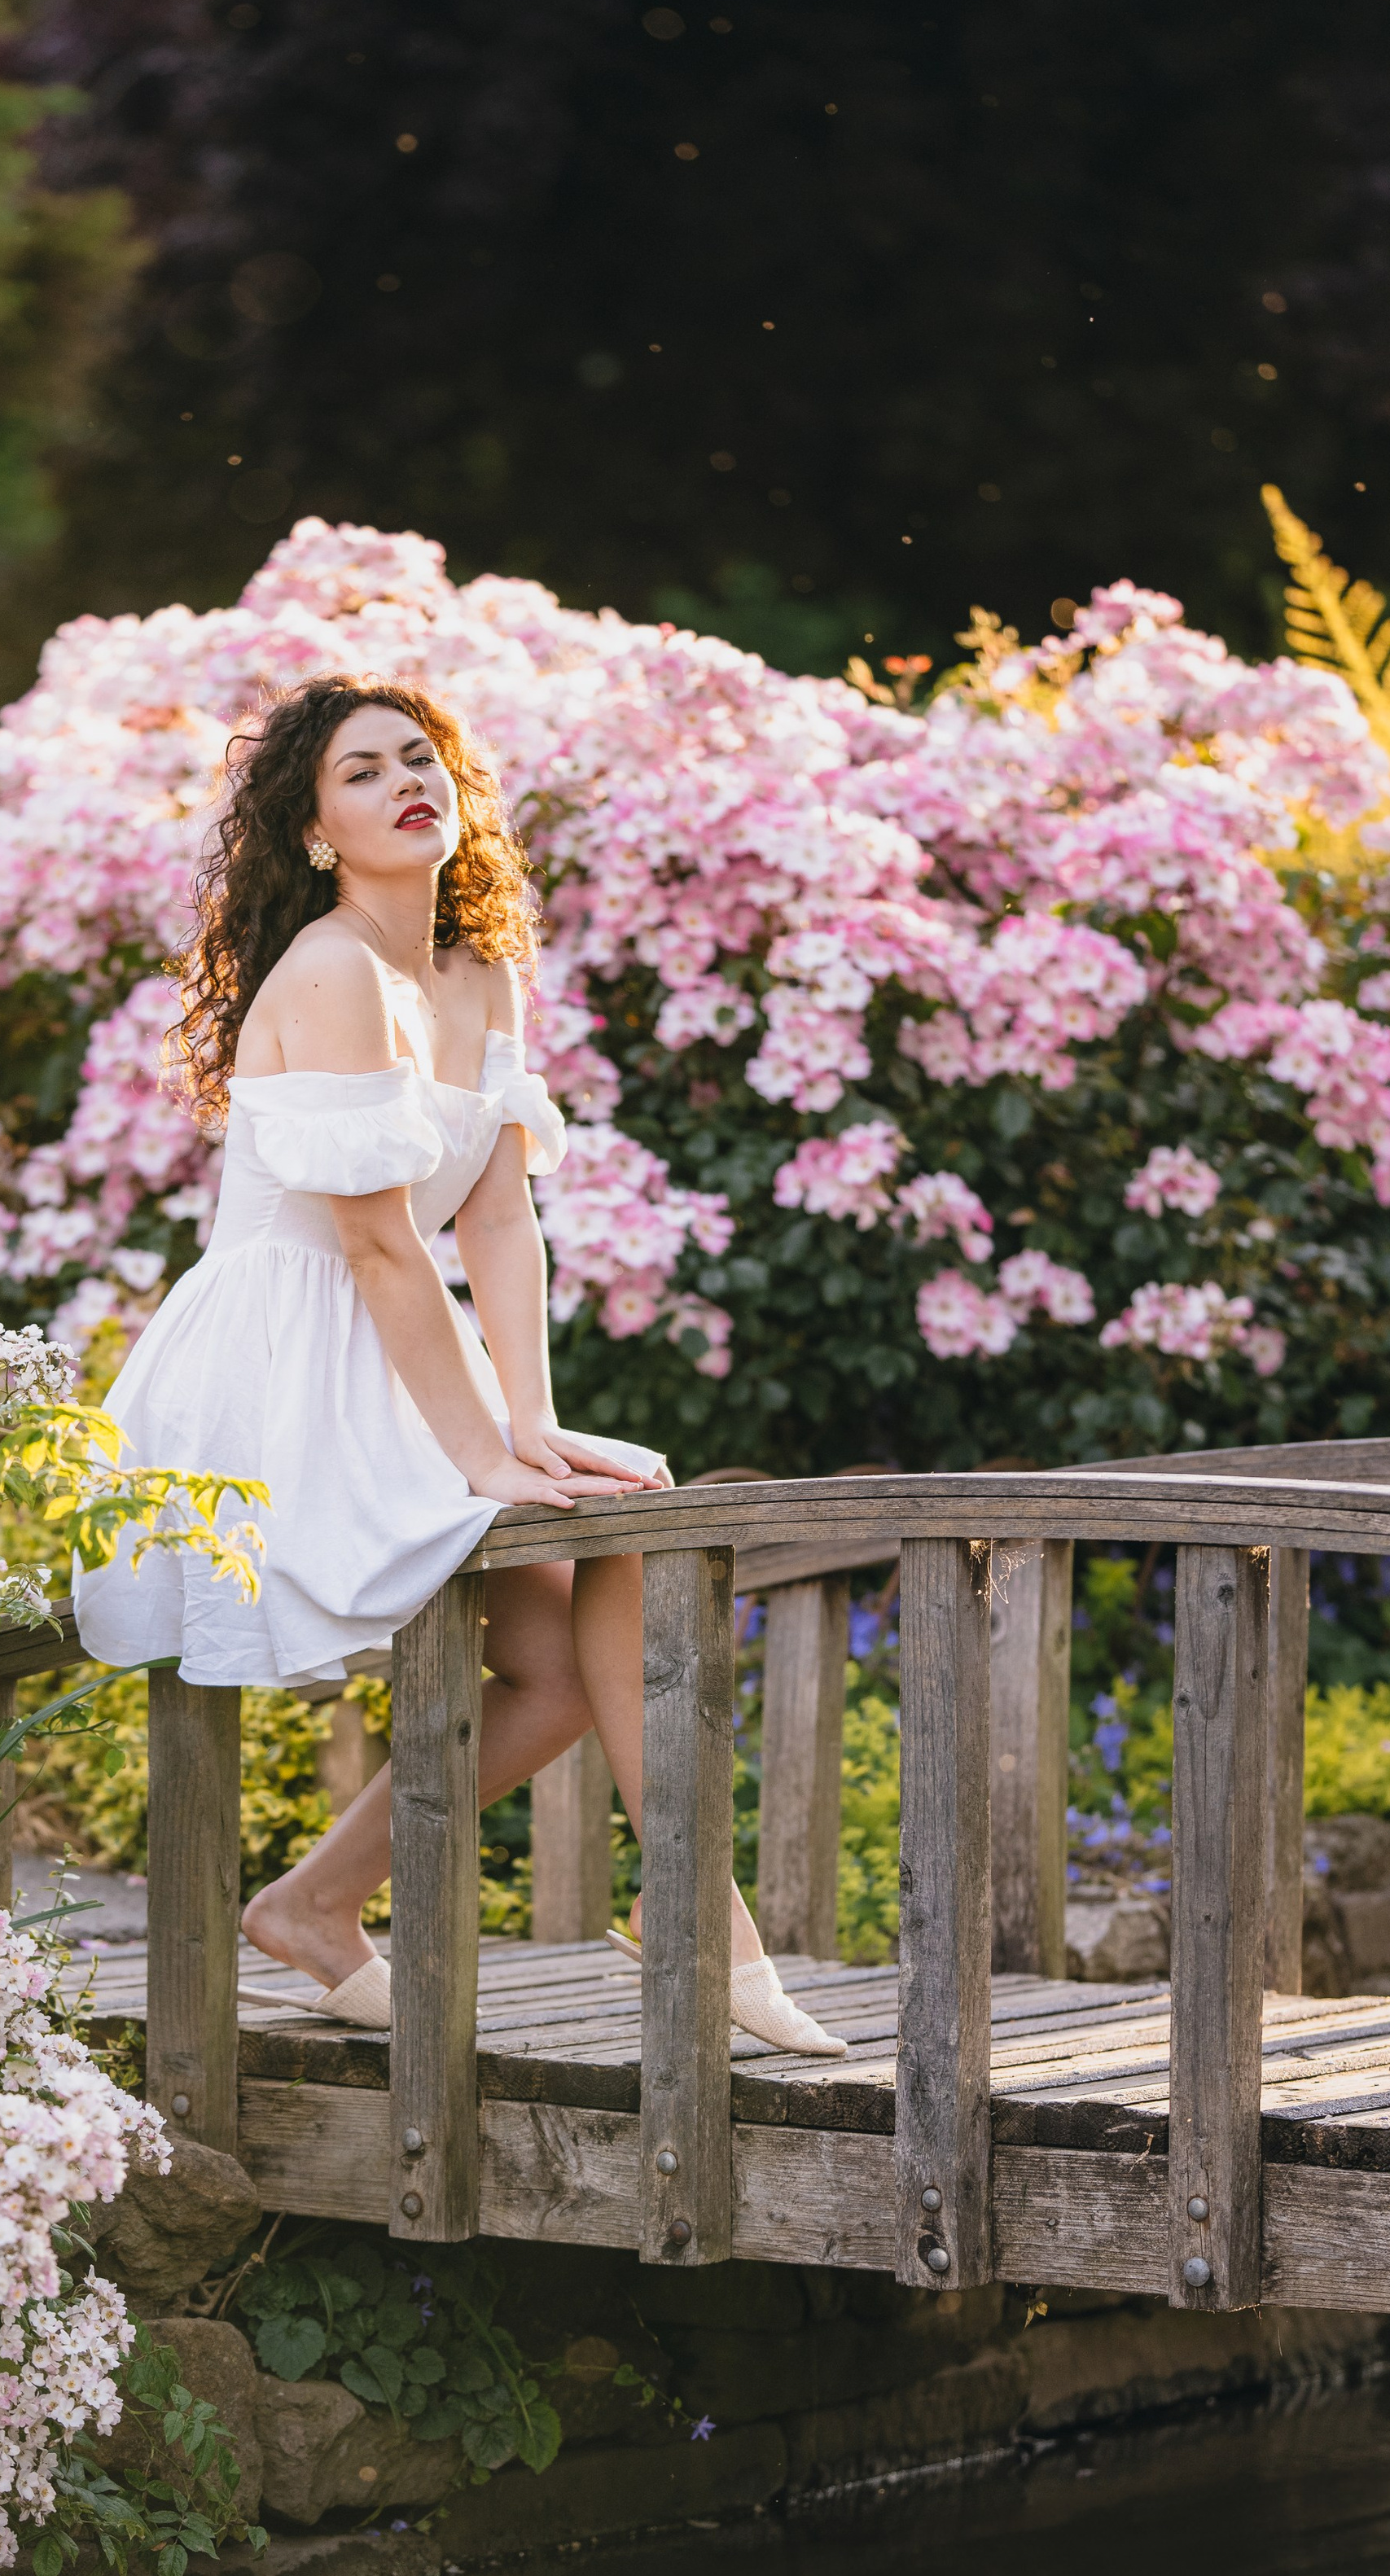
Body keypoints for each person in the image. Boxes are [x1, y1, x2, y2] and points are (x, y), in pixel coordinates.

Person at [72, 674, 845, 2057]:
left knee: (566, 1627)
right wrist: (487, 1455)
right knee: (596, 1548)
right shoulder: (331, 971)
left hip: (402, 1354)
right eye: (359, 773)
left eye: (418, 759)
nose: (401, 784)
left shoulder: (479, 969)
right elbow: (375, 1252)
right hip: (278, 1370)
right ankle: (708, 1935)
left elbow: (495, 1219)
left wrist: (532, 1425)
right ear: (315, 831)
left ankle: (317, 1908)